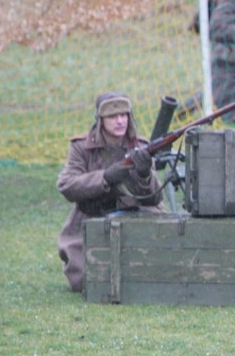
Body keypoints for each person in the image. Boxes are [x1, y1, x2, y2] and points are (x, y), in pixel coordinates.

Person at [56, 92, 165, 292]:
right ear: (101, 120)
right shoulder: (82, 148)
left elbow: (155, 198)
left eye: (124, 115)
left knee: (154, 273)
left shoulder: (140, 147)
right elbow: (67, 185)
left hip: (135, 217)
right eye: (113, 117)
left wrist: (144, 175)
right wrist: (104, 177)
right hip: (91, 217)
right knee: (85, 281)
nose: (120, 121)